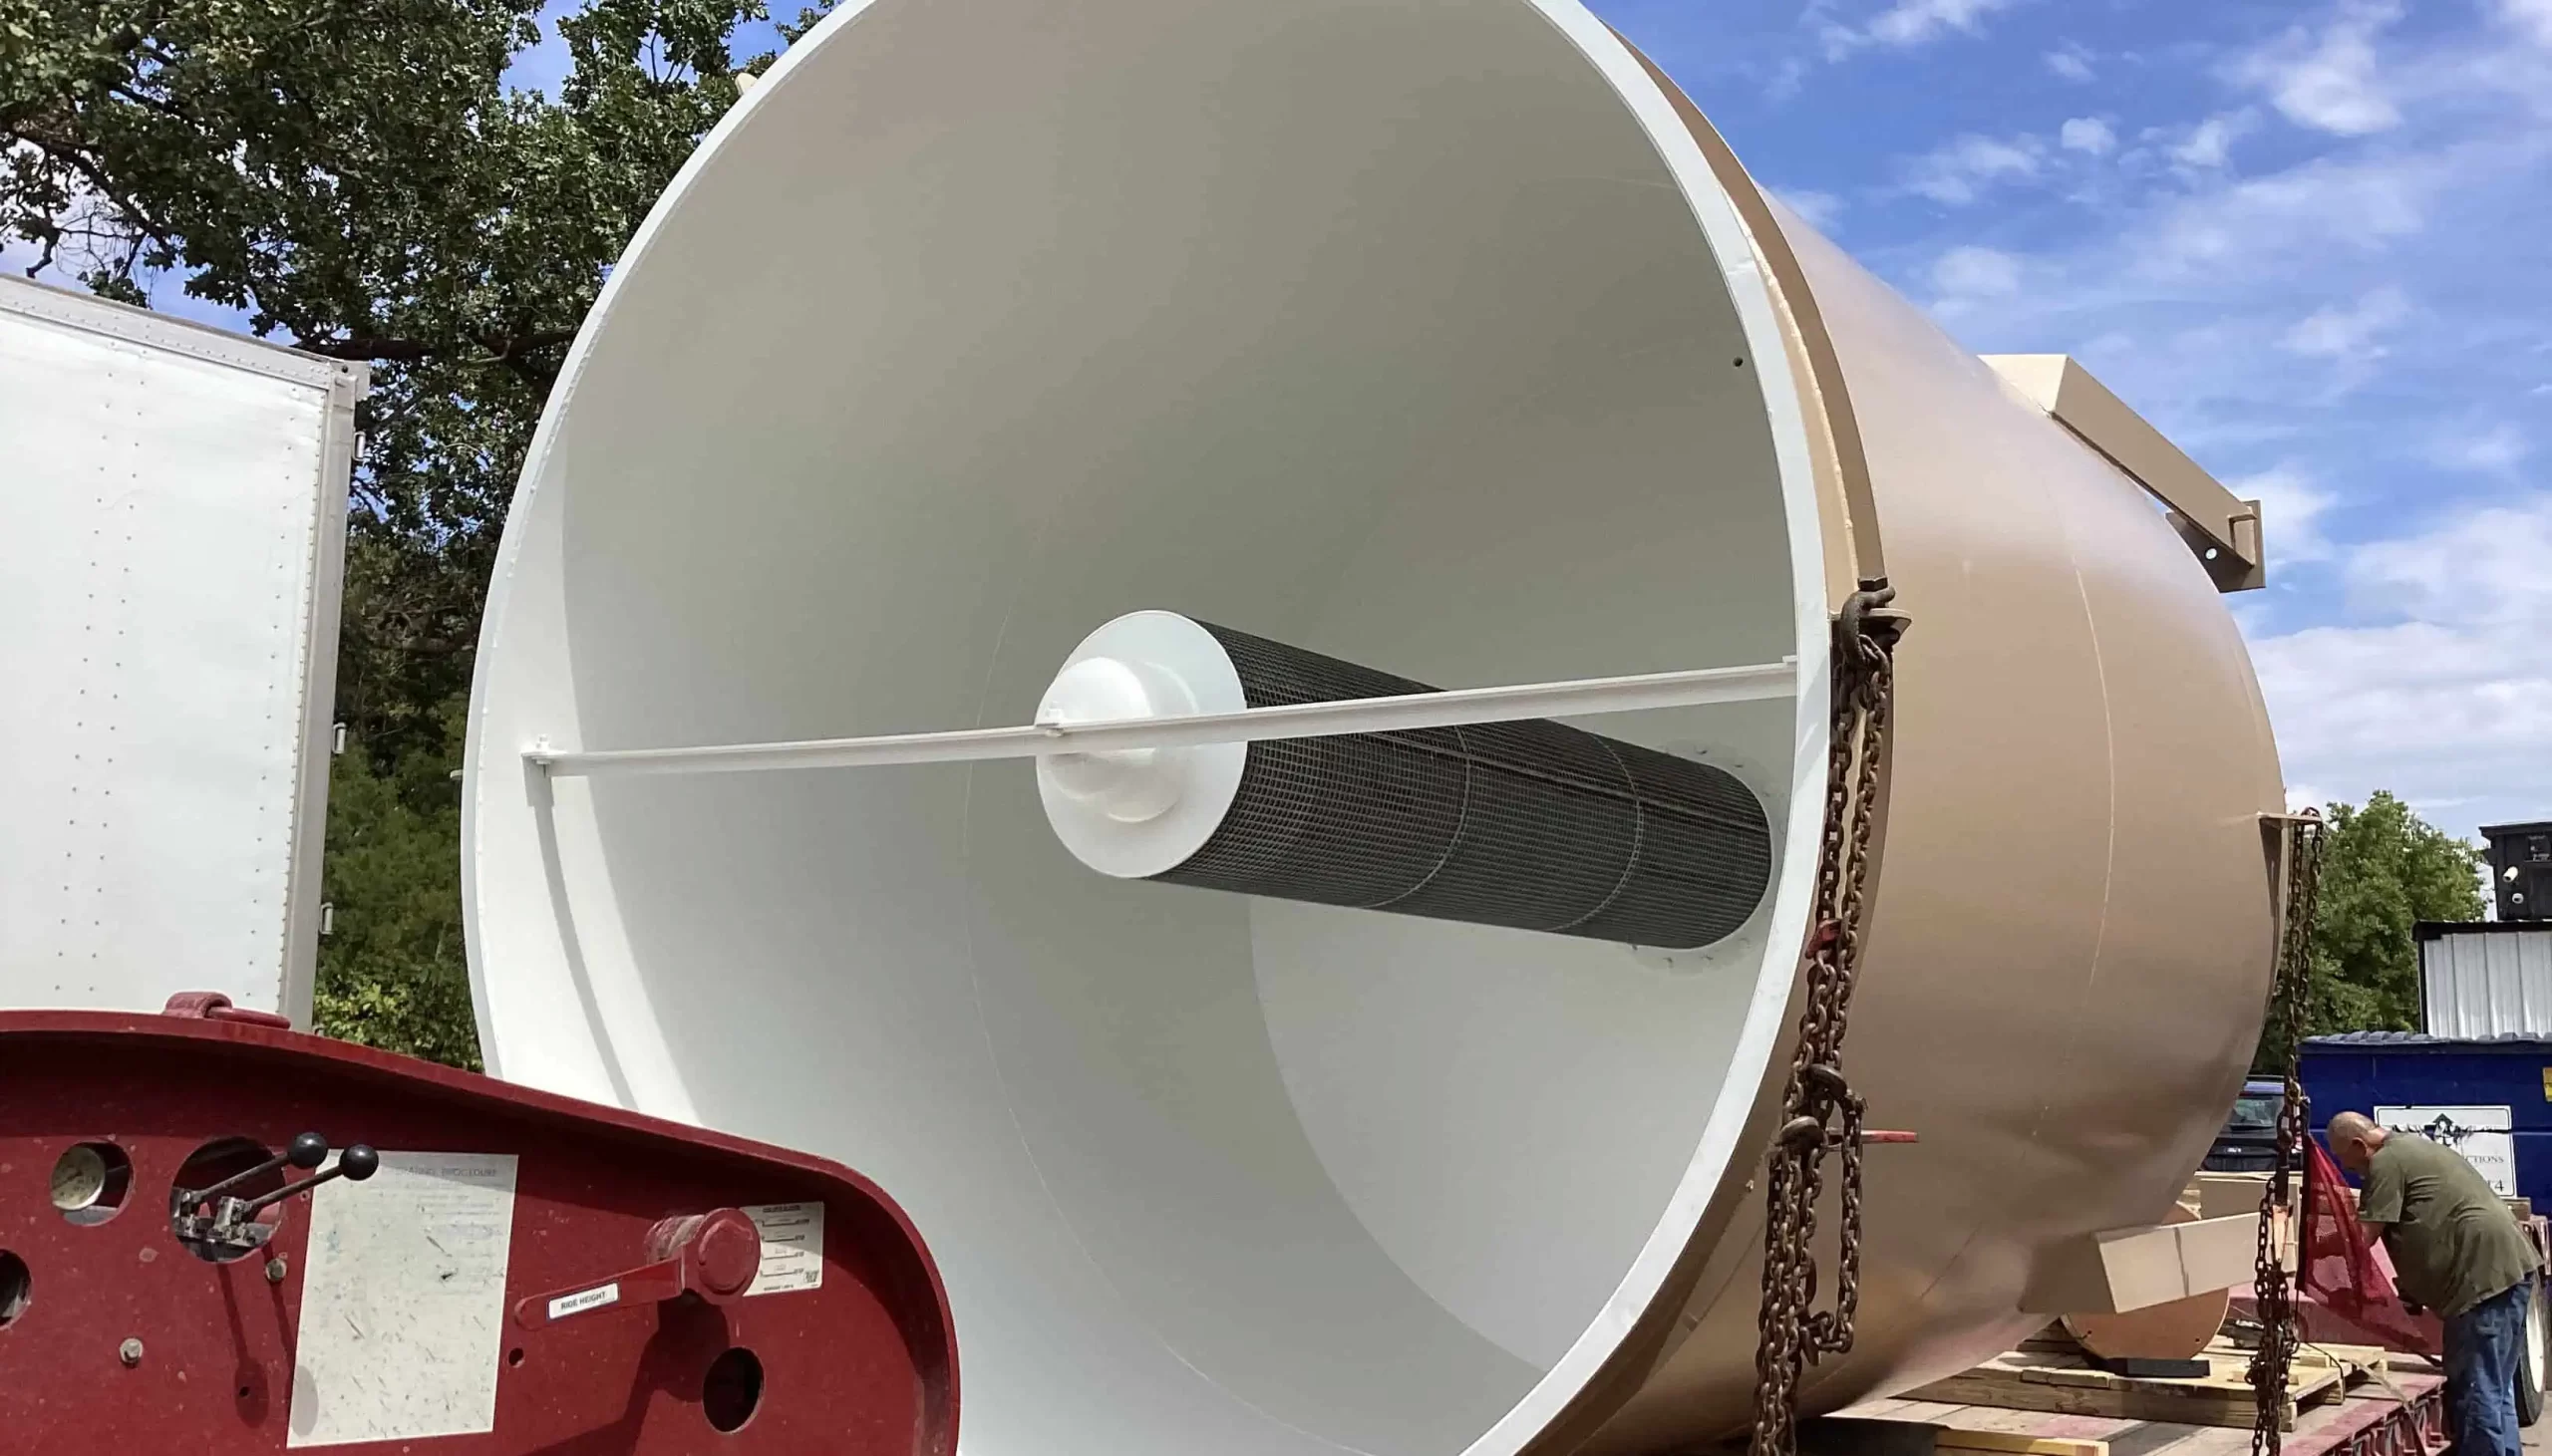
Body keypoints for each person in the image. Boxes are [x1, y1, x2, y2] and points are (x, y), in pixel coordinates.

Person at [2329, 1111, 2540, 1456]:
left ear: (2358, 1144)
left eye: (2343, 1158)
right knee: (2496, 1391)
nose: (2346, 1167)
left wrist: (2313, 1248)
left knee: (2477, 1393)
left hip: (2480, 1283)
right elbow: (2429, 1219)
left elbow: (2361, 1238)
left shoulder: (2385, 1162)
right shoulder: (2413, 1149)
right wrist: (2414, 1284)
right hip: (2507, 1269)